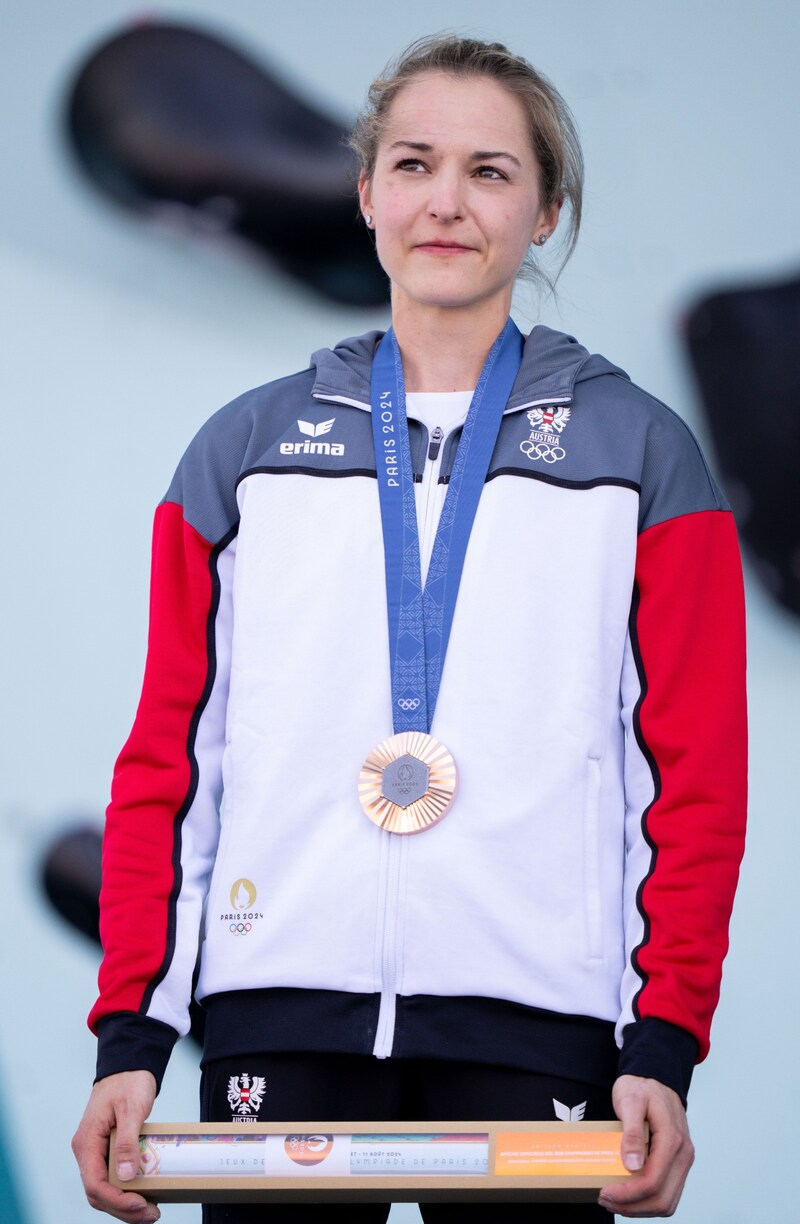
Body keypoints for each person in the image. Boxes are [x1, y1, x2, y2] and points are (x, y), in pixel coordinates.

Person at [72, 34, 747, 1223]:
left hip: (539, 1027)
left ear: (545, 212)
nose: (445, 200)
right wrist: (132, 1036)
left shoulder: (640, 458)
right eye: (413, 163)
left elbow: (692, 779)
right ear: (366, 192)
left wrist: (662, 1042)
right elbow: (173, 766)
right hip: (272, 1010)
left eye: (490, 171)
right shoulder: (242, 453)